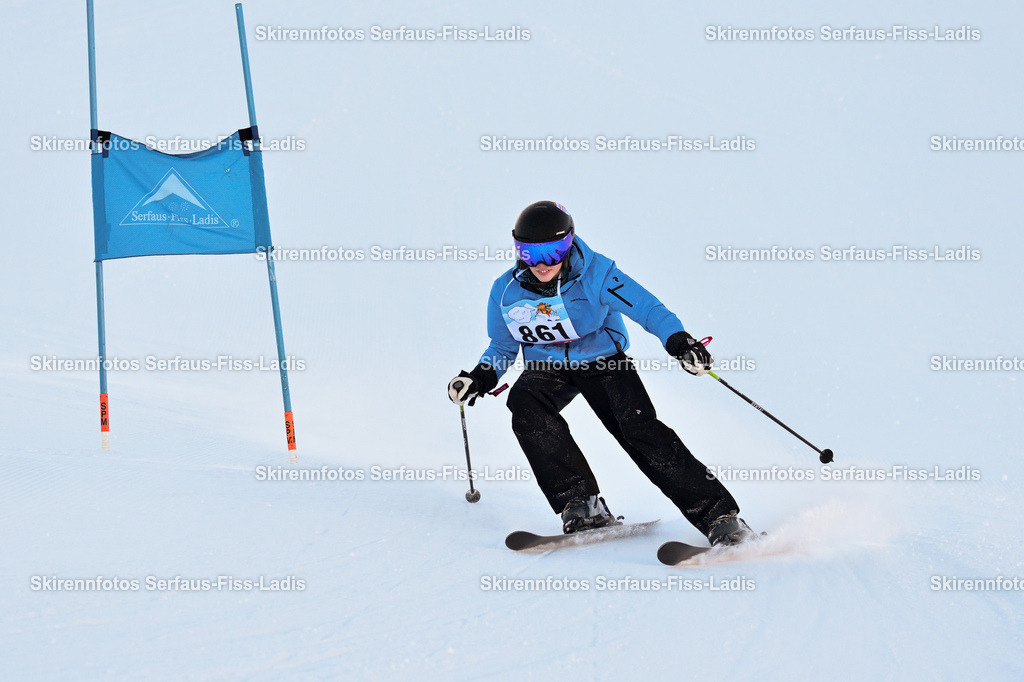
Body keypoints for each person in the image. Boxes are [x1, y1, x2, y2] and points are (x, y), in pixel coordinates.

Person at [448, 201, 756, 545]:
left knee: (638, 428)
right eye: (530, 254)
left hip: (603, 360)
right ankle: (582, 503)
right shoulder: (506, 292)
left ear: (569, 244)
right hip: (547, 365)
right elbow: (502, 347)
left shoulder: (597, 274)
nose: (542, 264)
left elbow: (647, 308)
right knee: (524, 402)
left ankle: (720, 517)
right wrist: (479, 377)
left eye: (554, 252)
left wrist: (680, 342)